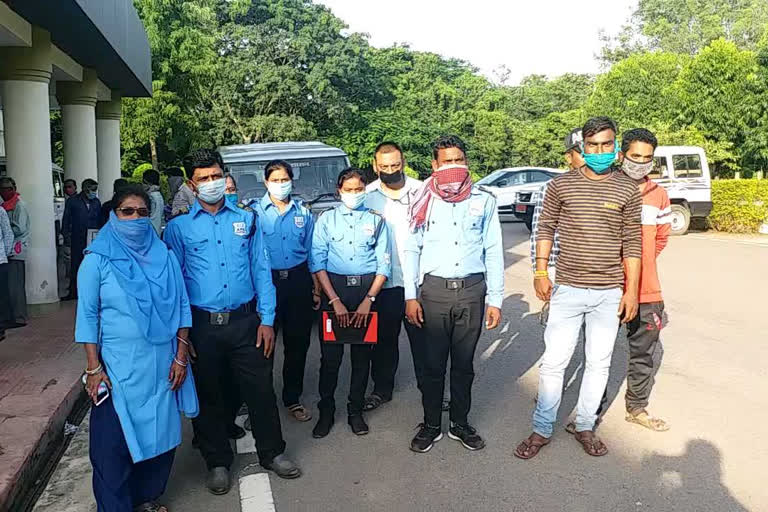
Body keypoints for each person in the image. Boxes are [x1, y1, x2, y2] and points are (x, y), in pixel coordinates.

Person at [165, 149, 300, 494]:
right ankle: (217, 462)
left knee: (259, 390)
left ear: (224, 177)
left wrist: (266, 321)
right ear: (192, 185)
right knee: (210, 395)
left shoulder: (246, 219)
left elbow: (261, 272)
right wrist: (182, 335)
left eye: (215, 176)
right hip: (202, 325)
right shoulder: (178, 229)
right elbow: (175, 284)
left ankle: (273, 452)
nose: (211, 183)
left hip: (246, 322)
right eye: (203, 178)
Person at [515, 117, 642, 460]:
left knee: (598, 363)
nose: (600, 151)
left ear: (616, 146)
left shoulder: (628, 188)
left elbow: (632, 243)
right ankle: (542, 428)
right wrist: (540, 271)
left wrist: (631, 291)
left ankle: (585, 425)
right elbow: (545, 228)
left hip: (609, 292)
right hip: (568, 288)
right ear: (582, 148)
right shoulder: (560, 186)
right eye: (593, 145)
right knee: (554, 362)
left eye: (606, 145)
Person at [75, 184, 198, 512]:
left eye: (143, 213)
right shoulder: (96, 261)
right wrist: (92, 368)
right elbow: (87, 316)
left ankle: (145, 498)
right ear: (113, 216)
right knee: (111, 446)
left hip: (162, 364)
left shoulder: (165, 256)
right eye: (127, 212)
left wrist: (181, 356)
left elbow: (182, 307)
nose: (136, 218)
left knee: (161, 436)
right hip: (117, 368)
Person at [403, 135, 504, 453]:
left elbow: (494, 250)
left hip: (472, 292)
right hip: (434, 293)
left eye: (459, 159)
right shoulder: (421, 200)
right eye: (446, 161)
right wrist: (410, 296)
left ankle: (460, 423)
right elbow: (411, 249)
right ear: (434, 165)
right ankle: (431, 424)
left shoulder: (483, 201)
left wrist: (496, 299)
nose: (453, 166)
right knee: (433, 365)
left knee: (463, 364)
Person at [598, 128, 671, 432]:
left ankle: (636, 408)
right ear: (621, 155)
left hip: (647, 291)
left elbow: (661, 239)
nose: (640, 162)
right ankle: (590, 411)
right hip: (607, 287)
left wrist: (640, 266)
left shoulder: (658, 195)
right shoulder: (605, 188)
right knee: (598, 353)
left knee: (643, 354)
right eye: (635, 156)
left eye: (647, 158)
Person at [309, 168, 391, 438]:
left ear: (365, 189)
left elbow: (384, 264)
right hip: (335, 291)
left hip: (366, 292)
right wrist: (333, 299)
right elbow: (317, 261)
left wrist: (369, 299)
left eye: (359, 189)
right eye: (349, 189)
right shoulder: (326, 220)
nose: (354, 194)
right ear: (339, 191)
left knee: (361, 358)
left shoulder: (377, 221)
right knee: (330, 358)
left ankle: (355, 411)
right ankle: (326, 412)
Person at [252, 160, 319, 423]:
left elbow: (313, 252)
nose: (281, 184)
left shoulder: (303, 213)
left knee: (298, 343)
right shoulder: (253, 213)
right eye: (275, 180)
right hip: (266, 283)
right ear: (266, 182)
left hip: (298, 281)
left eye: (285, 179)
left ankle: (292, 397)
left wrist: (315, 287)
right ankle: (260, 400)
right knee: (262, 344)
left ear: (292, 181)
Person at [363, 142, 424, 411]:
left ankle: (430, 389)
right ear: (376, 166)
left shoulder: (422, 191)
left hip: (418, 281)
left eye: (395, 165)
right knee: (384, 341)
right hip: (384, 283)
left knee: (425, 342)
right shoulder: (366, 196)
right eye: (384, 166)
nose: (390, 170)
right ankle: (382, 389)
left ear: (404, 162)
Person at [530, 128, 584, 283]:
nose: (588, 158)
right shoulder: (551, 188)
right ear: (569, 157)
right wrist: (541, 272)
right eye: (582, 154)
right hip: (560, 269)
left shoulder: (608, 187)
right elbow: (540, 232)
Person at [62, 178, 101, 301]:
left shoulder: (96, 202)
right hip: (77, 237)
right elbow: (66, 220)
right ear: (85, 189)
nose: (94, 192)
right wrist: (66, 236)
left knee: (92, 265)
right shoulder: (73, 202)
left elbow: (99, 219)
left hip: (92, 238)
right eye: (92, 189)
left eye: (96, 189)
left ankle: (91, 291)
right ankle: (73, 292)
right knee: (76, 265)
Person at [0, 177, 29, 327]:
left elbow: (20, 228)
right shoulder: (5, 206)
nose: (5, 191)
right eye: (3, 188)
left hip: (17, 249)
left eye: (8, 188)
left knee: (16, 285)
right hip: (9, 250)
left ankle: (19, 317)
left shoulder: (19, 205)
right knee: (10, 286)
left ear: (14, 189)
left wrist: (5, 227)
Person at [0, 201, 14, 341]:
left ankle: (1, 327)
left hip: (0, 260)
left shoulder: (1, 212)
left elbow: (8, 234)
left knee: (1, 296)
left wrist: (6, 252)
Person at [143, 169, 165, 234]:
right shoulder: (158, 194)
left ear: (145, 181)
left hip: (152, 230)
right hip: (158, 229)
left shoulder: (151, 196)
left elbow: (153, 216)